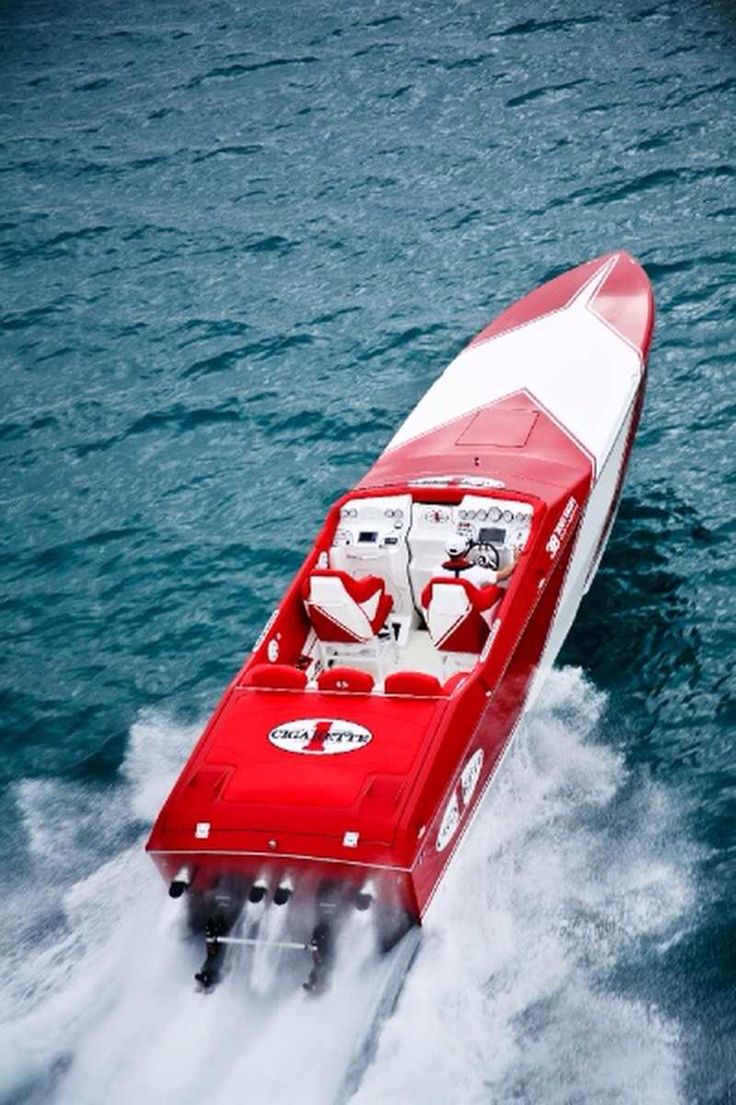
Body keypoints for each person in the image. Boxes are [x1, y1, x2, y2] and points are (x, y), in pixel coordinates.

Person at [438, 532, 519, 590]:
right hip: (472, 608)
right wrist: (516, 561)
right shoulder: (477, 572)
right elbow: (504, 575)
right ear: (465, 550)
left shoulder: (437, 572)